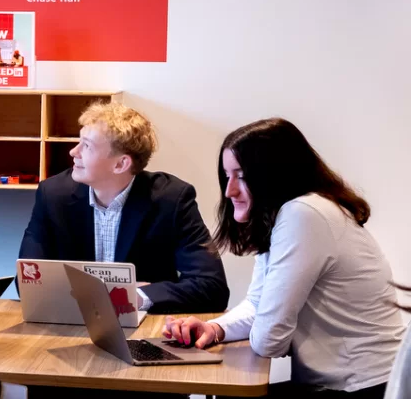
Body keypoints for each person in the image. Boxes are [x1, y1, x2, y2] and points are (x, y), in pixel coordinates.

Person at [164, 118, 405, 398]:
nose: (229, 190)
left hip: (363, 386)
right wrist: (214, 328)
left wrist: (259, 325)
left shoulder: (303, 215)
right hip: (346, 381)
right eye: (227, 176)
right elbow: (258, 305)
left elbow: (269, 340)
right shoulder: (291, 214)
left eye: (241, 176)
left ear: (273, 175)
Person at [18, 102, 229, 313]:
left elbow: (213, 288)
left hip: (145, 329)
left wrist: (135, 297)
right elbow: (27, 280)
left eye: (87, 146)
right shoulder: (53, 194)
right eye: (79, 142)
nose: (74, 152)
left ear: (120, 164)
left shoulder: (171, 200)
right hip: (70, 323)